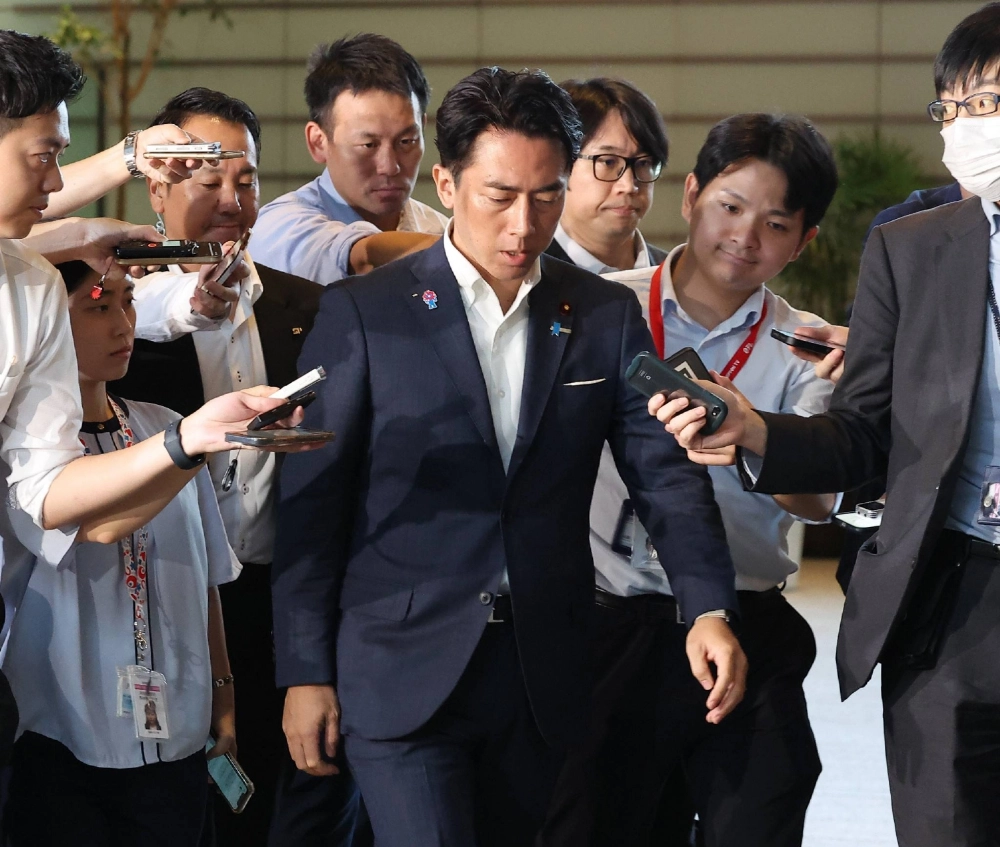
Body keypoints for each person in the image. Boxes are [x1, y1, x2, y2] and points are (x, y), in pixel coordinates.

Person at [271, 66, 746, 847]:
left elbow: (662, 472)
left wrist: (708, 605)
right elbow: (313, 505)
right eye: (499, 195)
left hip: (542, 673)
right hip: (399, 671)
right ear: (447, 181)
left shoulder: (601, 316)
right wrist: (304, 671)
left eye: (547, 195)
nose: (524, 225)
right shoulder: (363, 316)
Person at [648, 5, 1000, 844]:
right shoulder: (914, 249)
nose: (966, 128)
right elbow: (864, 435)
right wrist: (757, 430)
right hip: (952, 602)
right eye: (951, 109)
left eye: (986, 100)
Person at [546, 113, 840, 847]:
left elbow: (821, 500)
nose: (745, 237)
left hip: (744, 615)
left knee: (767, 798)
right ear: (691, 196)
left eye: (776, 223)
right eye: (730, 207)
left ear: (804, 240)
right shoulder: (598, 304)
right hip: (610, 614)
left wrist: (756, 440)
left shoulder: (811, 349)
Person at [108, 86, 359, 847]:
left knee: (286, 806)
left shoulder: (308, 309)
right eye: (204, 176)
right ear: (156, 183)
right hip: (154, 610)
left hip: (280, 604)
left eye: (244, 179)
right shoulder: (114, 312)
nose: (229, 197)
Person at [2, 261, 239, 847]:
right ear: (43, 324)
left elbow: (204, 573)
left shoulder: (164, 424)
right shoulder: (24, 457)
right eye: (98, 307)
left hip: (177, 728)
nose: (123, 326)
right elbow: (99, 526)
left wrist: (224, 692)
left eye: (128, 305)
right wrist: (184, 450)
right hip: (61, 732)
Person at [253, 34, 446, 284]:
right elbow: (364, 257)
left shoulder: (436, 228)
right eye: (367, 145)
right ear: (318, 142)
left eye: (406, 142)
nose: (390, 166)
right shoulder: (280, 227)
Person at [545, 77, 669, 272]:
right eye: (608, 162)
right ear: (559, 165)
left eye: (644, 163)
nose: (629, 185)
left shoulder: (679, 280)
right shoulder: (524, 280)